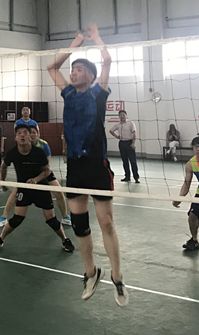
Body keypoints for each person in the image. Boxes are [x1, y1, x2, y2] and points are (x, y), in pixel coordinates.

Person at [47, 24, 127, 307]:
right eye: (73, 69)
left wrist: (96, 39)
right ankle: (91, 273)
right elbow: (51, 67)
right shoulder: (68, 93)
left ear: (91, 76)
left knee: (106, 222)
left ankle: (117, 277)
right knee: (79, 224)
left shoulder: (98, 93)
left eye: (80, 69)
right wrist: (75, 44)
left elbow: (107, 61)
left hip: (97, 165)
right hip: (75, 166)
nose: (74, 72)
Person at [0, 125, 74, 253]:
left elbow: (47, 171)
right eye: (19, 133)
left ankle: (65, 239)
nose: (22, 135)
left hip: (41, 187)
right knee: (17, 218)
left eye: (25, 133)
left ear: (30, 137)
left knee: (51, 219)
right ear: (16, 138)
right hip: (24, 188)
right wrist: (3, 181)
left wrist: (36, 180)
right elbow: (3, 166)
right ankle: (0, 238)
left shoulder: (38, 152)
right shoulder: (12, 153)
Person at [0, 128, 70, 227]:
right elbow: (5, 166)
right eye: (31, 133)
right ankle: (4, 217)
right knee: (15, 193)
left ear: (38, 134)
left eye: (34, 133)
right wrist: (3, 181)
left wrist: (37, 178)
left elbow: (46, 166)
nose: (33, 135)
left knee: (59, 192)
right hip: (27, 173)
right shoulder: (20, 147)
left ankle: (65, 217)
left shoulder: (43, 145)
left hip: (43, 172)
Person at [110, 110, 140, 183]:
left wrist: (133, 143)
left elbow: (134, 133)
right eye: (120, 115)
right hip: (122, 143)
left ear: (126, 116)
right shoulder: (118, 124)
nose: (122, 116)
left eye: (123, 115)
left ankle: (136, 177)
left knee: (133, 161)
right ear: (119, 116)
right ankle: (127, 176)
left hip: (129, 143)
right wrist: (117, 136)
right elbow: (111, 130)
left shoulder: (130, 123)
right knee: (125, 161)